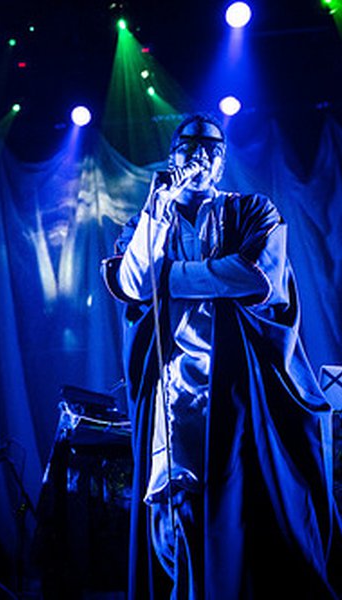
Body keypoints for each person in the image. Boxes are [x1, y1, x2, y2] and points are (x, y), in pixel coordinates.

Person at [102, 113, 341, 599]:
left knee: (240, 512)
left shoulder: (251, 211)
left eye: (211, 150)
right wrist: (157, 209)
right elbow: (134, 282)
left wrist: (168, 278)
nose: (200, 158)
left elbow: (254, 278)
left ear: (223, 160)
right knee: (173, 516)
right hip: (173, 391)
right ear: (173, 157)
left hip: (238, 389)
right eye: (189, 148)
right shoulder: (149, 221)